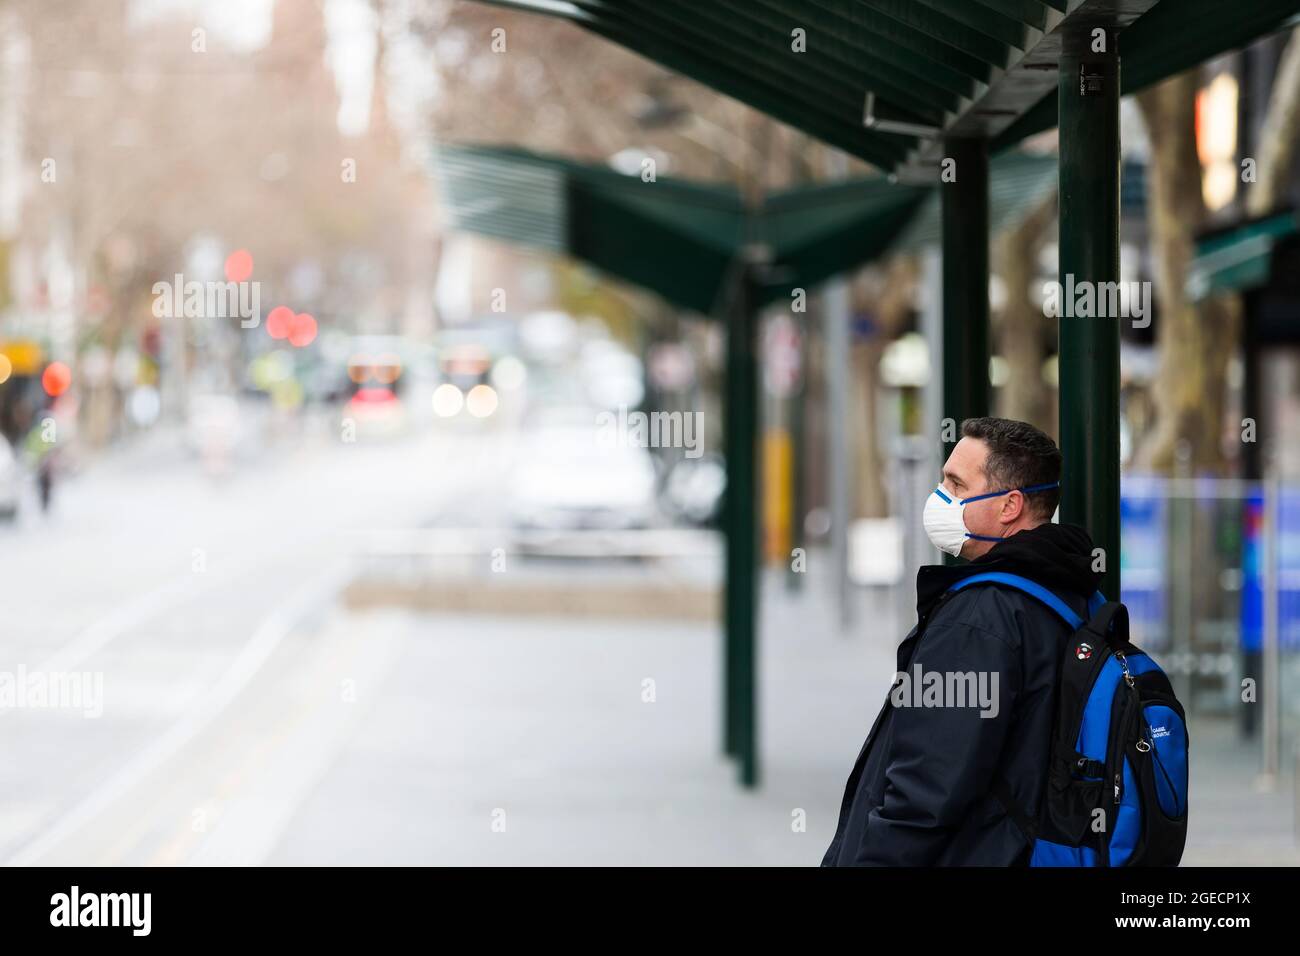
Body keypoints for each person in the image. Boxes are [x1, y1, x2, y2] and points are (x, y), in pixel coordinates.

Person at [821, 417, 1103, 866]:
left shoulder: (979, 620)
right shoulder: (1070, 592)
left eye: (955, 484)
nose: (939, 498)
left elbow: (926, 787)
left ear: (1009, 506)